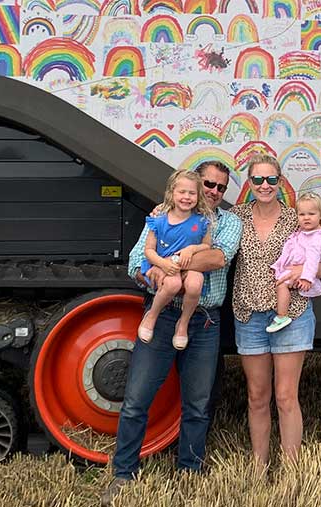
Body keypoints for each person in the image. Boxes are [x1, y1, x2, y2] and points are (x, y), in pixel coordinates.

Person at [101, 161, 242, 506]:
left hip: (204, 320)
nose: (213, 192)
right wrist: (149, 271)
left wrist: (164, 261)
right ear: (193, 183)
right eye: (208, 184)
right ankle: (123, 474)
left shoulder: (229, 222)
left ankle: (189, 471)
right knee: (136, 400)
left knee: (198, 403)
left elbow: (218, 259)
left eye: (221, 188)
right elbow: (136, 261)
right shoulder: (162, 215)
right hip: (163, 317)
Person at [229, 153, 321, 468]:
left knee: (286, 396)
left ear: (280, 182)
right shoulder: (236, 217)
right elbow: (202, 222)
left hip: (292, 315)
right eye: (258, 179)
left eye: (271, 179)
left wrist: (305, 269)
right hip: (249, 314)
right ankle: (260, 467)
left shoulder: (297, 217)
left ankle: (291, 468)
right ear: (249, 183)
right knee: (256, 397)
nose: (265, 185)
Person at [138, 169, 215, 350]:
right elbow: (148, 250)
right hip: (165, 265)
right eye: (182, 192)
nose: (186, 197)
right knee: (172, 285)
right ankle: (152, 315)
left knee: (196, 283)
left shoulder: (201, 221)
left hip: (189, 266)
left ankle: (183, 323)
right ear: (172, 193)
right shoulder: (159, 220)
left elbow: (207, 246)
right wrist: (162, 264)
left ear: (198, 196)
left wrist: (192, 248)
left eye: (192, 193)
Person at [267, 192, 321, 333]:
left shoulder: (317, 239)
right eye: (302, 215)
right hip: (294, 267)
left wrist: (306, 277)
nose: (306, 218)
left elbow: (313, 260)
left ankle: (282, 316)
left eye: (311, 214)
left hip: (300, 273)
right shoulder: (305, 232)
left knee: (281, 286)